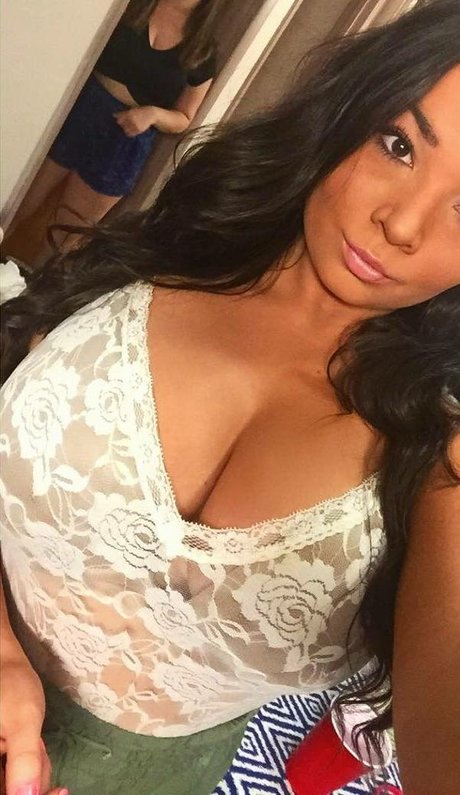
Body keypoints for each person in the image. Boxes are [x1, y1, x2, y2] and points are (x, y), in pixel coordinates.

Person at [1, 1, 459, 793]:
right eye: (398, 145)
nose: (402, 224)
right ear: (349, 114)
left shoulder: (434, 461)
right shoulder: (168, 249)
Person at [9, 0, 220, 258]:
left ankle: (31, 284)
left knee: (66, 238)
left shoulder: (203, 50)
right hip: (78, 110)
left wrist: (153, 114)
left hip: (126, 140)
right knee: (16, 201)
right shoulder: (131, 6)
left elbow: (184, 117)